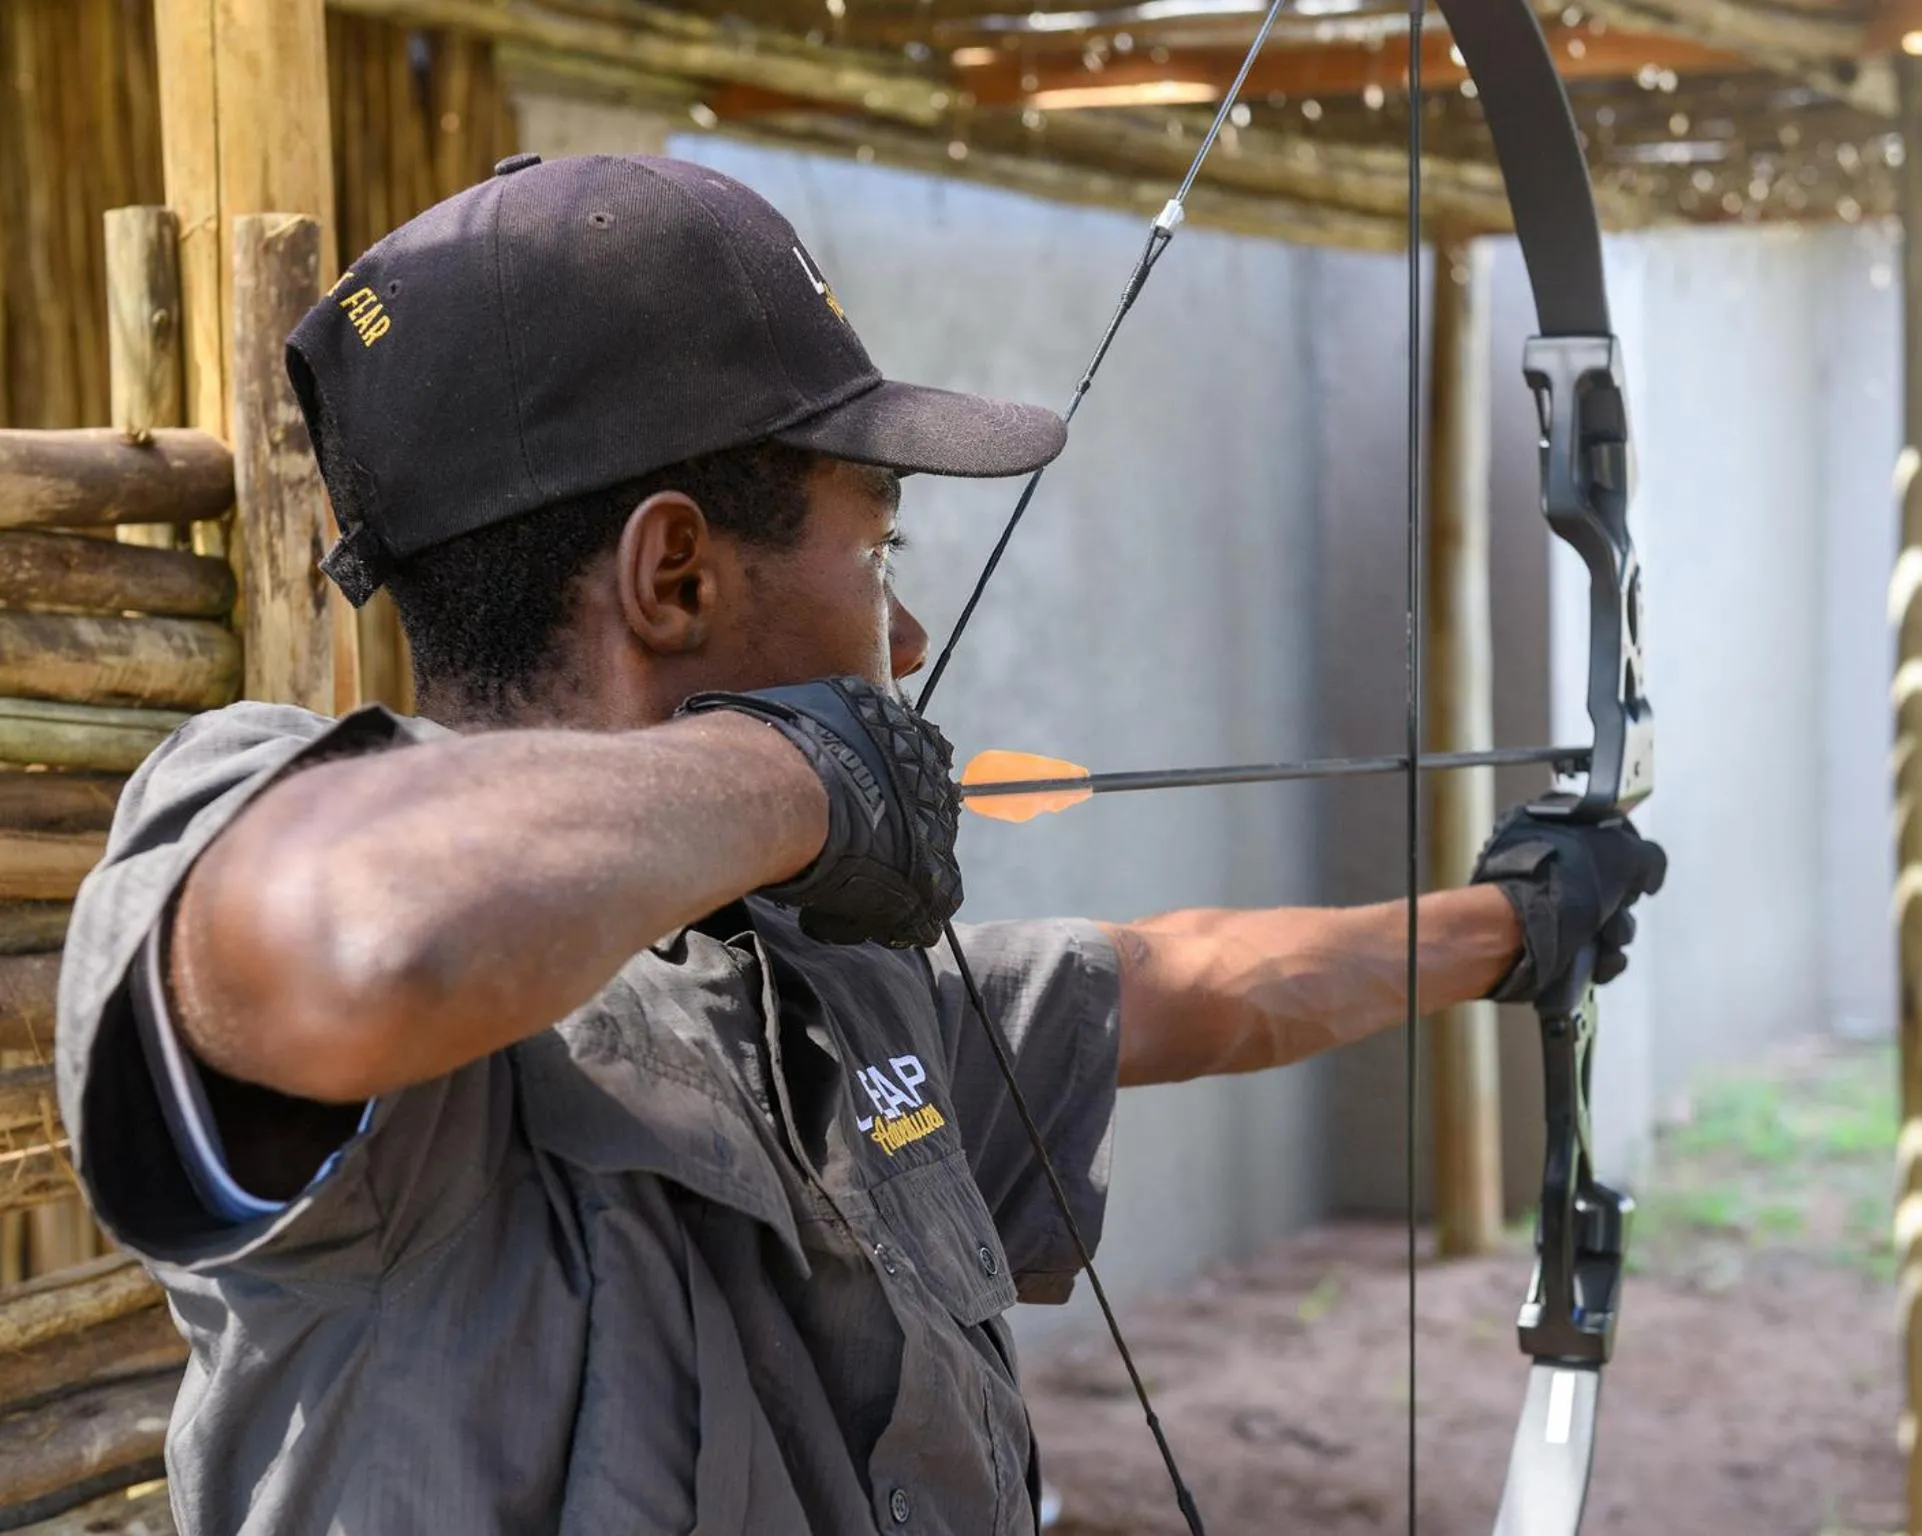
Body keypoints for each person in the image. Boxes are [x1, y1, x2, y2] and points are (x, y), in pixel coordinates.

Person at [55, 153, 1666, 1536]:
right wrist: (800, 770)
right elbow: (369, 934)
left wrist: (1515, 925)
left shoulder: (816, 986)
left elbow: (1180, 984)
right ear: (675, 576)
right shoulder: (284, 867)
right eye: (875, 548)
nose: (902, 636)